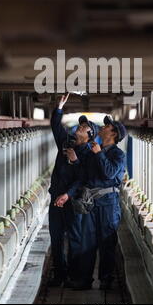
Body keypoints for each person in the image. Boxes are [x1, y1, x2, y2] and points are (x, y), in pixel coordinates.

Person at [56, 115, 127, 290]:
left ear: (113, 133)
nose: (103, 127)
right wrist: (74, 164)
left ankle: (106, 279)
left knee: (106, 243)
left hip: (108, 204)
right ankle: (84, 279)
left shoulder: (118, 154)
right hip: (91, 202)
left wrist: (99, 154)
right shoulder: (95, 150)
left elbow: (109, 174)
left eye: (107, 126)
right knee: (87, 242)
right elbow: (84, 175)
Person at [48, 94, 98, 286]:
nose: (80, 127)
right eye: (80, 125)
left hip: (73, 201)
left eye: (84, 127)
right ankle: (59, 275)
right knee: (56, 237)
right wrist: (59, 107)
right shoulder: (65, 142)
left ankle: (75, 276)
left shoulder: (89, 153)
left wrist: (67, 194)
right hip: (56, 198)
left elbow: (83, 179)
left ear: (89, 135)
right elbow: (55, 126)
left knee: (75, 238)